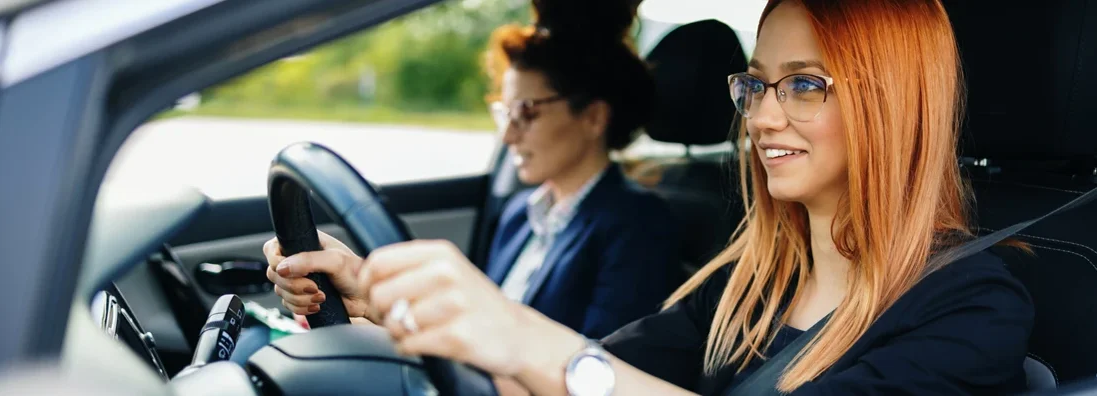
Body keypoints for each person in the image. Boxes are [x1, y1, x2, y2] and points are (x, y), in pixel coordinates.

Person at [264, 0, 1036, 394]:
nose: (763, 116)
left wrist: (536, 345)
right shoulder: (747, 285)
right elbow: (588, 372)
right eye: (758, 84)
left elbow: (566, 364)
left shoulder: (974, 307)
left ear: (891, 102)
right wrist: (377, 296)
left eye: (804, 85)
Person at [478, 0, 682, 338]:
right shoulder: (519, 214)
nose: (509, 135)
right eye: (505, 113)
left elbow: (605, 368)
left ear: (593, 117)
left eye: (527, 112)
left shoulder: (638, 227)